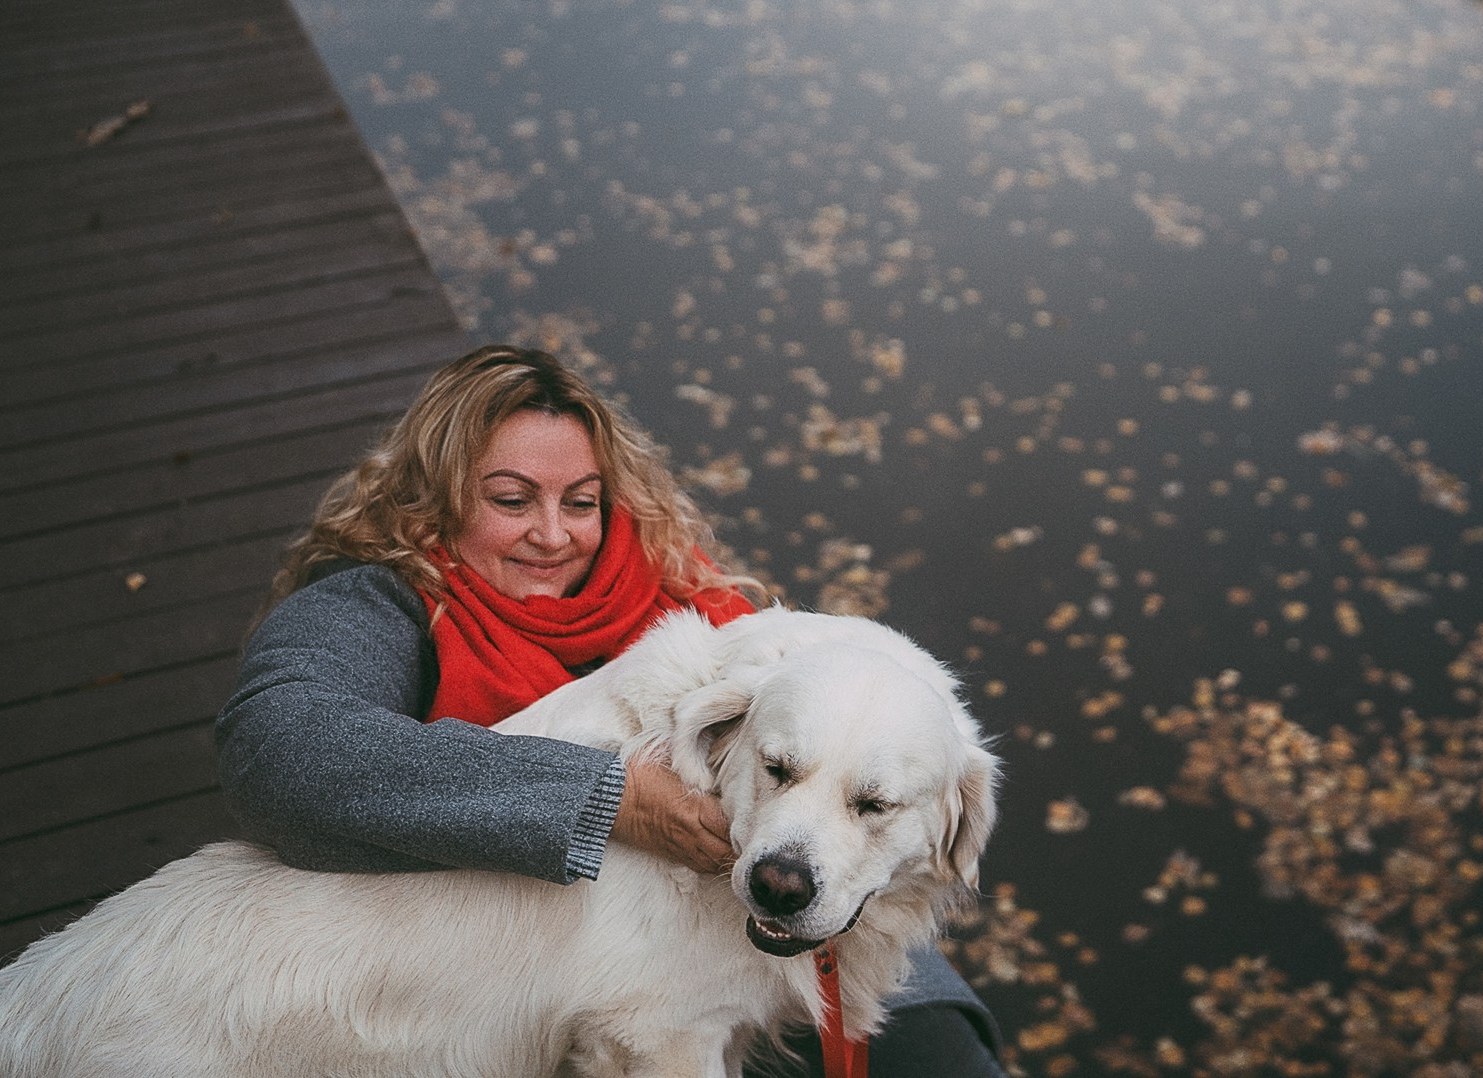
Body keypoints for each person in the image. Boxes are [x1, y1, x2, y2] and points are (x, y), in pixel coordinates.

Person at [217, 344, 1003, 1076]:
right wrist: (609, 799)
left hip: (774, 901)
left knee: (943, 1052)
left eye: (582, 501)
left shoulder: (672, 591)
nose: (554, 536)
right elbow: (279, 752)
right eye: (511, 499)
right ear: (433, 498)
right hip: (469, 976)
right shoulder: (376, 603)